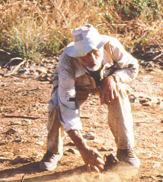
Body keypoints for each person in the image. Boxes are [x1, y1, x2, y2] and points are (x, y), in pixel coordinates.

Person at [39, 24, 140, 172]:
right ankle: (53, 151)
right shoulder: (67, 61)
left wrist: (114, 78)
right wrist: (83, 149)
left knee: (119, 93)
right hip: (77, 85)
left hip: (106, 81)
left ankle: (125, 150)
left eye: (95, 52)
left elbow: (132, 67)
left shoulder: (111, 45)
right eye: (85, 54)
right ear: (77, 53)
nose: (92, 58)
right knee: (56, 106)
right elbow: (68, 109)